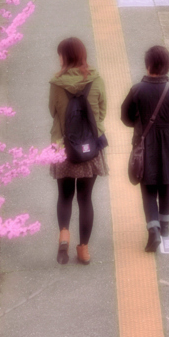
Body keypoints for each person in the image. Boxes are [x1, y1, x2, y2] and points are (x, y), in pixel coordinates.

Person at [121, 45, 169, 252]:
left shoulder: (137, 90)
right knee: (166, 183)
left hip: (146, 143)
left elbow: (125, 116)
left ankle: (153, 230)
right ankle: (165, 224)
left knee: (148, 187)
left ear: (148, 64)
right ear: (167, 66)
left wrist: (141, 125)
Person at [49, 36, 108, 265]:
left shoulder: (56, 83)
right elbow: (102, 111)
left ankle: (64, 234)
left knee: (64, 196)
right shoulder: (96, 79)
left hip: (63, 146)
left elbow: (53, 111)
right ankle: (83, 250)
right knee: (86, 200)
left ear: (64, 57)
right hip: (90, 148)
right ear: (83, 55)